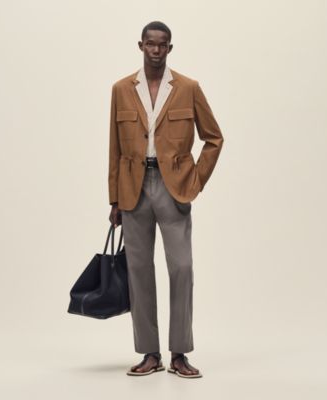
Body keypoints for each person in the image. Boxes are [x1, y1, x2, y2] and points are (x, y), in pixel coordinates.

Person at [108, 21, 224, 378]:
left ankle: (179, 354)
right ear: (140, 46)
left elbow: (214, 138)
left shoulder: (188, 88)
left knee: (182, 267)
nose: (156, 50)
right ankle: (149, 353)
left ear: (169, 48)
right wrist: (114, 199)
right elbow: (114, 148)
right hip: (133, 188)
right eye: (150, 44)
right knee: (139, 270)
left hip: (174, 187)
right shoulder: (121, 89)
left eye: (162, 45)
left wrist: (195, 180)